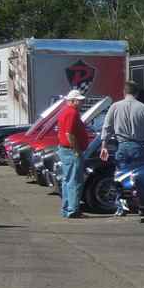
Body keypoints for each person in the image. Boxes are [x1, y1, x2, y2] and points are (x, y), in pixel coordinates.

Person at [100, 81, 144, 176]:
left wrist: (104, 146)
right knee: (138, 178)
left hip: (122, 147)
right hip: (139, 148)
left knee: (121, 178)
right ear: (137, 93)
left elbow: (107, 127)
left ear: (124, 92)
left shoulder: (115, 107)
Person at [55, 89, 90, 219]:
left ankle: (67, 209)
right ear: (73, 101)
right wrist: (76, 150)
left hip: (65, 149)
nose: (82, 102)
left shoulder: (65, 111)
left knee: (68, 180)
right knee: (75, 181)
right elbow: (69, 134)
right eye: (80, 100)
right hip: (70, 151)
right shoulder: (72, 112)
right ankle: (73, 210)